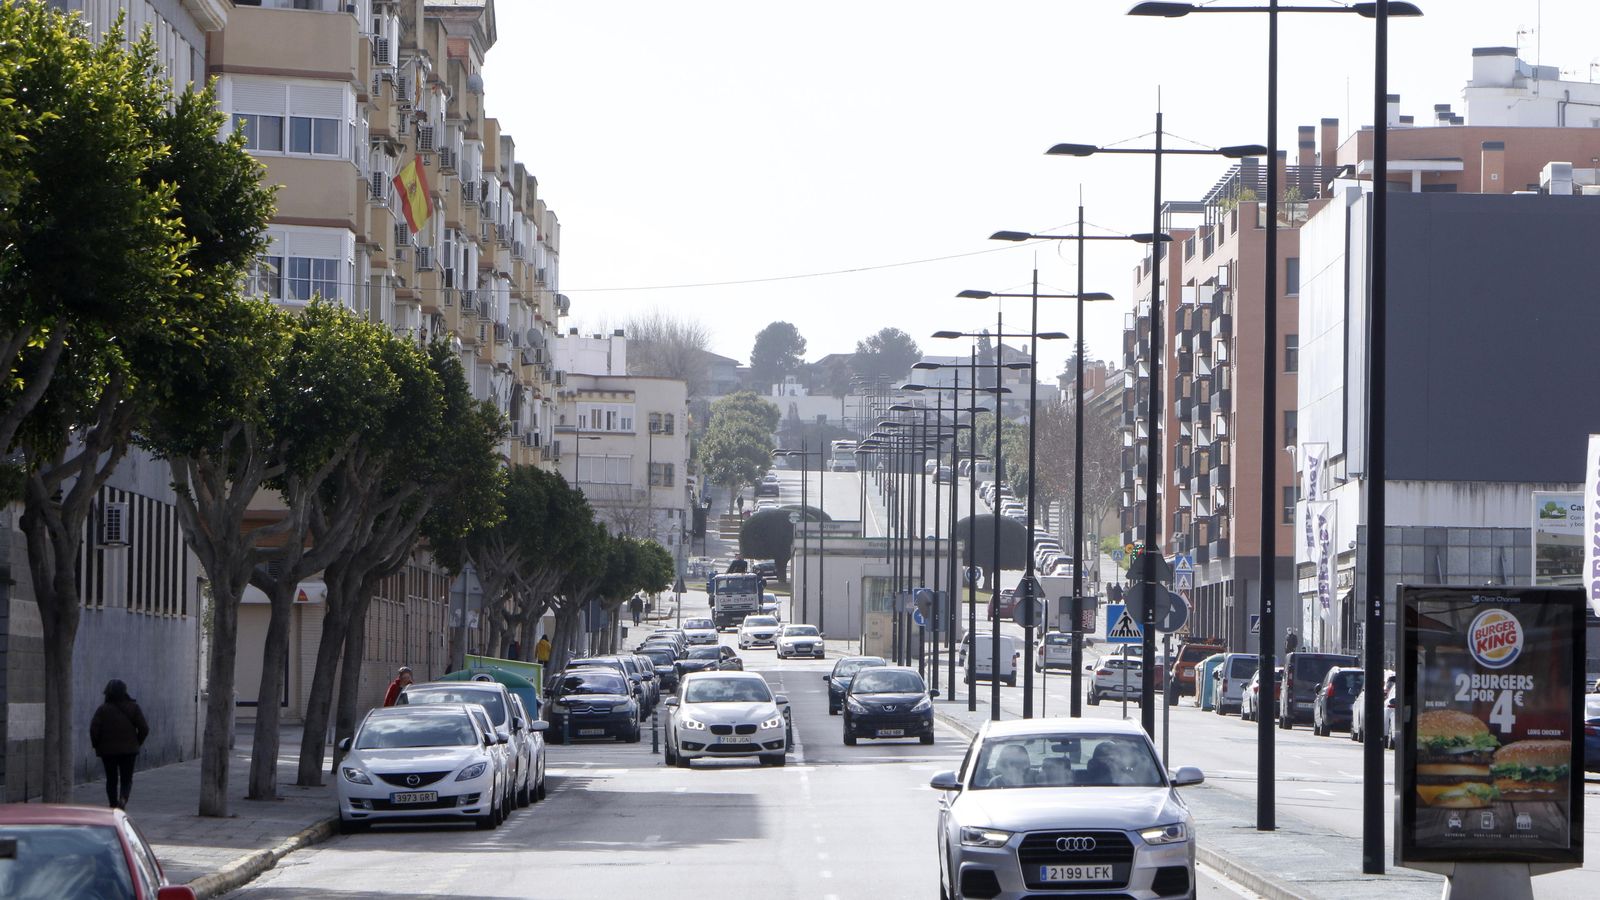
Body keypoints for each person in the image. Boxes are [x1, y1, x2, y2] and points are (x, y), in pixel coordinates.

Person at [89, 679, 149, 809]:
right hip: (129, 751)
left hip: (108, 751)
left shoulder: (103, 710)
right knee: (126, 779)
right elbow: (144, 728)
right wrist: (136, 743)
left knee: (111, 779)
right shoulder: (133, 707)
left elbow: (94, 729)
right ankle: (123, 799)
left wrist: (97, 745)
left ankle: (112, 804)